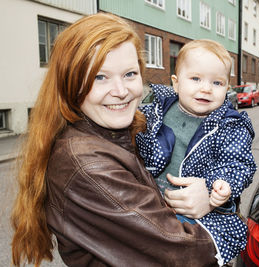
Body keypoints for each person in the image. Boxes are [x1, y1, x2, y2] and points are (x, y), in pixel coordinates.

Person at [11, 13, 219, 267]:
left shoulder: (120, 131)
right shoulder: (88, 166)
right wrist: (222, 209)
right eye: (100, 77)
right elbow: (187, 252)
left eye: (130, 74)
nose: (121, 92)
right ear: (72, 84)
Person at [136, 39, 257, 264]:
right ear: (176, 83)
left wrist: (222, 185)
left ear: (227, 89)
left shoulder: (229, 125)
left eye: (217, 83)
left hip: (198, 215)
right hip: (152, 206)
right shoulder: (156, 110)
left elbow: (238, 162)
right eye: (195, 79)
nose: (206, 88)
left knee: (187, 256)